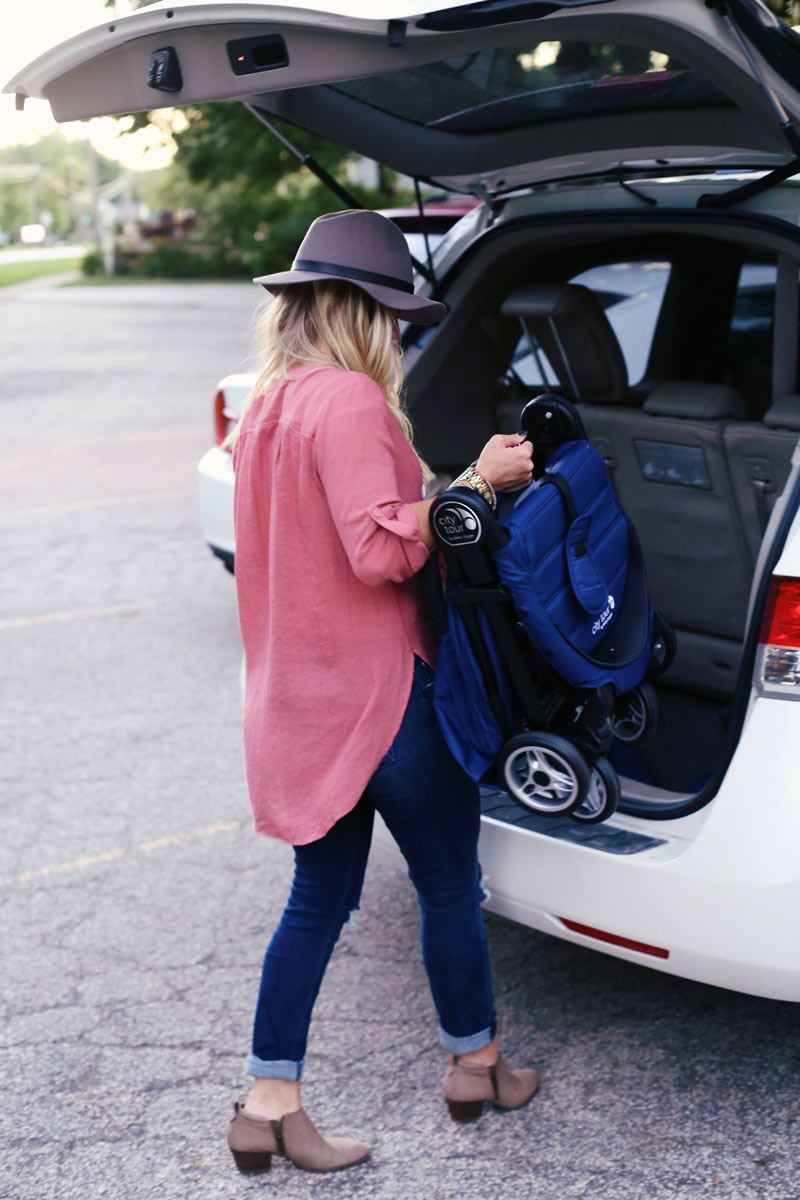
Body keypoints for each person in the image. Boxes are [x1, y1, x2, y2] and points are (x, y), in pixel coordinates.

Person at [225, 209, 537, 1176]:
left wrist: (427, 493)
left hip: (296, 703)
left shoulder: (266, 407)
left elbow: (329, 531)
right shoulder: (353, 402)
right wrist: (477, 487)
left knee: (316, 900)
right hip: (383, 697)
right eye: (396, 315)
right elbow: (376, 552)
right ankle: (475, 1065)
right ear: (363, 311)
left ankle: (267, 1105)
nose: (402, 334)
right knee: (449, 884)